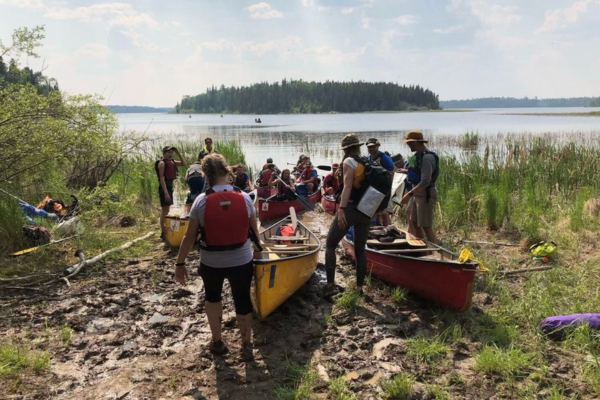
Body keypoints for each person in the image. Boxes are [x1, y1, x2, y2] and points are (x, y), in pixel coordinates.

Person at [174, 154, 261, 360]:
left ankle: (218, 342)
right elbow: (254, 231)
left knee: (213, 298)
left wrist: (180, 263)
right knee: (242, 300)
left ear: (205, 174)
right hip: (241, 261)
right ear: (226, 171)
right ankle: (246, 345)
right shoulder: (245, 198)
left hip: (211, 262)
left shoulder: (201, 201)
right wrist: (259, 253)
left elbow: (189, 236)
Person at [324, 134, 372, 297]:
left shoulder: (348, 162)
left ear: (345, 149)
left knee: (330, 244)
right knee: (360, 250)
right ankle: (359, 288)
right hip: (366, 211)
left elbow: (347, 187)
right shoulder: (366, 162)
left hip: (350, 208)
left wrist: (342, 209)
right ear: (358, 147)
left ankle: (330, 285)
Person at [400, 130, 439, 243]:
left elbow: (425, 181)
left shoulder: (427, 158)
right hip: (417, 194)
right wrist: (406, 171)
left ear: (415, 142)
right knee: (415, 223)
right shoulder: (418, 156)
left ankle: (434, 251)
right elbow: (418, 173)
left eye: (409, 143)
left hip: (425, 195)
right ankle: (421, 247)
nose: (408, 145)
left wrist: (408, 194)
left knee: (426, 226)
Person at [155, 146, 186, 240]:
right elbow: (161, 178)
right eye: (168, 152)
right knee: (165, 210)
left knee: (167, 210)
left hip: (169, 187)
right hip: (164, 188)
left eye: (171, 152)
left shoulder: (171, 161)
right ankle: (163, 232)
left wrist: (178, 152)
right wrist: (166, 193)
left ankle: (164, 231)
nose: (170, 154)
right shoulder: (162, 163)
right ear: (164, 153)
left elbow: (183, 163)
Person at [366, 138, 395, 226]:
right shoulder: (369, 158)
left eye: (373, 147)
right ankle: (378, 229)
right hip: (374, 189)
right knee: (376, 212)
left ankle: (389, 231)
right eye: (369, 147)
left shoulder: (384, 158)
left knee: (385, 213)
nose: (371, 149)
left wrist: (387, 189)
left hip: (385, 189)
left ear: (378, 146)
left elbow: (392, 173)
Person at [183, 152, 206, 216]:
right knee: (201, 195)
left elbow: (185, 179)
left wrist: (190, 184)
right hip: (199, 177)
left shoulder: (190, 167)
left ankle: (193, 210)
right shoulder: (202, 166)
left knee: (193, 196)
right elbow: (203, 175)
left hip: (191, 178)